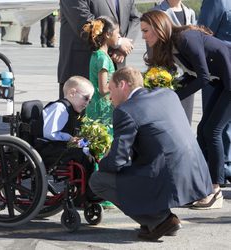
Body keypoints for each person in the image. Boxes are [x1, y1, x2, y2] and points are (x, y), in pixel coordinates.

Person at [89, 66, 213, 241]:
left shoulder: (125, 111)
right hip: (196, 172)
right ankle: (160, 218)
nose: (110, 97)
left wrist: (101, 161)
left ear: (122, 85)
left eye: (111, 89)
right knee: (136, 167)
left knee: (98, 180)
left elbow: (117, 162)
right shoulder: (167, 94)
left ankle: (161, 220)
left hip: (168, 175)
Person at [140, 10, 231, 209]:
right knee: (203, 131)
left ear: (158, 28)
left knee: (213, 131)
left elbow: (203, 77)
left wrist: (173, 96)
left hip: (228, 81)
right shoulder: (171, 46)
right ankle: (204, 186)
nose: (143, 36)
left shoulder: (185, 39)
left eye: (146, 31)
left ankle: (215, 191)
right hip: (224, 82)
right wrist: (166, 90)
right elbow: (191, 75)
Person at [57, 0, 140, 98]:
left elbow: (135, 18)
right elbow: (83, 21)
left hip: (116, 68)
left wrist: (124, 46)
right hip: (83, 71)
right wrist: (118, 42)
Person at [82, 16, 120, 209]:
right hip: (102, 109)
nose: (119, 37)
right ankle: (102, 192)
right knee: (103, 148)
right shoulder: (103, 58)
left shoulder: (97, 55)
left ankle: (97, 189)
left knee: (98, 147)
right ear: (107, 35)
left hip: (96, 108)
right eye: (117, 33)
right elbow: (104, 88)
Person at [40, 75, 96, 201]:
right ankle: (87, 192)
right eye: (86, 98)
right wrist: (70, 138)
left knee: (89, 150)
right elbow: (50, 133)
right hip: (48, 148)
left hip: (58, 146)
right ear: (72, 93)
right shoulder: (59, 108)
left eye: (89, 100)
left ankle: (86, 190)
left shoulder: (70, 110)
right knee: (83, 154)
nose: (87, 103)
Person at [198, 0, 231, 183]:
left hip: (218, 69)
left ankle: (217, 172)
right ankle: (223, 167)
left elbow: (203, 33)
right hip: (222, 69)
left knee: (213, 126)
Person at [149, 0, 196, 124]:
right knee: (169, 121)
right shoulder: (156, 12)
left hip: (188, 75)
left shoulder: (190, 12)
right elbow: (152, 50)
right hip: (166, 75)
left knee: (185, 120)